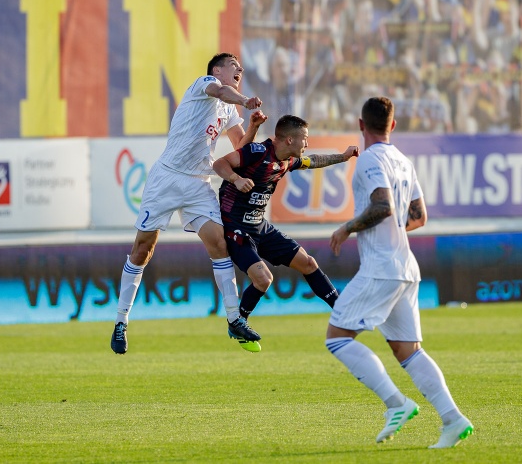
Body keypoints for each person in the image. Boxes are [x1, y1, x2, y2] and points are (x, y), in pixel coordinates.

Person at [326, 96, 474, 449]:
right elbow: (419, 216)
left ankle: (397, 403)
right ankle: (453, 419)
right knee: (408, 351)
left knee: (337, 338)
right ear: (393, 125)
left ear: (361, 125)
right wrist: (390, 230)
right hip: (405, 267)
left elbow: (382, 206)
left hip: (382, 267)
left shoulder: (370, 161)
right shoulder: (404, 162)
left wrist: (347, 227)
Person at [111, 52, 267, 355]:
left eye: (241, 68)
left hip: (198, 182)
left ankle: (234, 319)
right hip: (167, 178)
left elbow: (239, 147)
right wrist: (246, 100)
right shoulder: (204, 84)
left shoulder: (229, 110)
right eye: (234, 66)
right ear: (217, 70)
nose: (240, 71)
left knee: (218, 243)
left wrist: (254, 126)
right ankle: (121, 321)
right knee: (143, 248)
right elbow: (222, 91)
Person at [212, 114, 359, 352]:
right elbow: (219, 163)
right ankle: (238, 322)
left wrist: (343, 157)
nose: (307, 144)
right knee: (264, 279)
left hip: (260, 226)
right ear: (290, 139)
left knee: (308, 263)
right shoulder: (256, 152)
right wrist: (236, 179)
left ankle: (342, 312)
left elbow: (314, 160)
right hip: (236, 227)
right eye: (305, 139)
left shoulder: (287, 161)